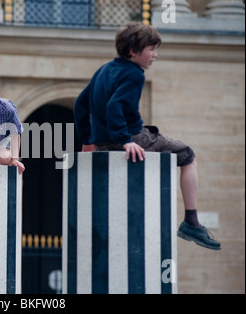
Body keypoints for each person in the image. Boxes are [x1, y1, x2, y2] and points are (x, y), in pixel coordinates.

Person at [74, 22, 221, 250]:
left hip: (103, 144)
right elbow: (115, 106)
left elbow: (80, 105)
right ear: (133, 51)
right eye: (151, 49)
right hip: (134, 138)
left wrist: (87, 141)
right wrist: (125, 140)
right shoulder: (134, 75)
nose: (155, 55)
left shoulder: (103, 70)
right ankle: (191, 221)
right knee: (188, 155)